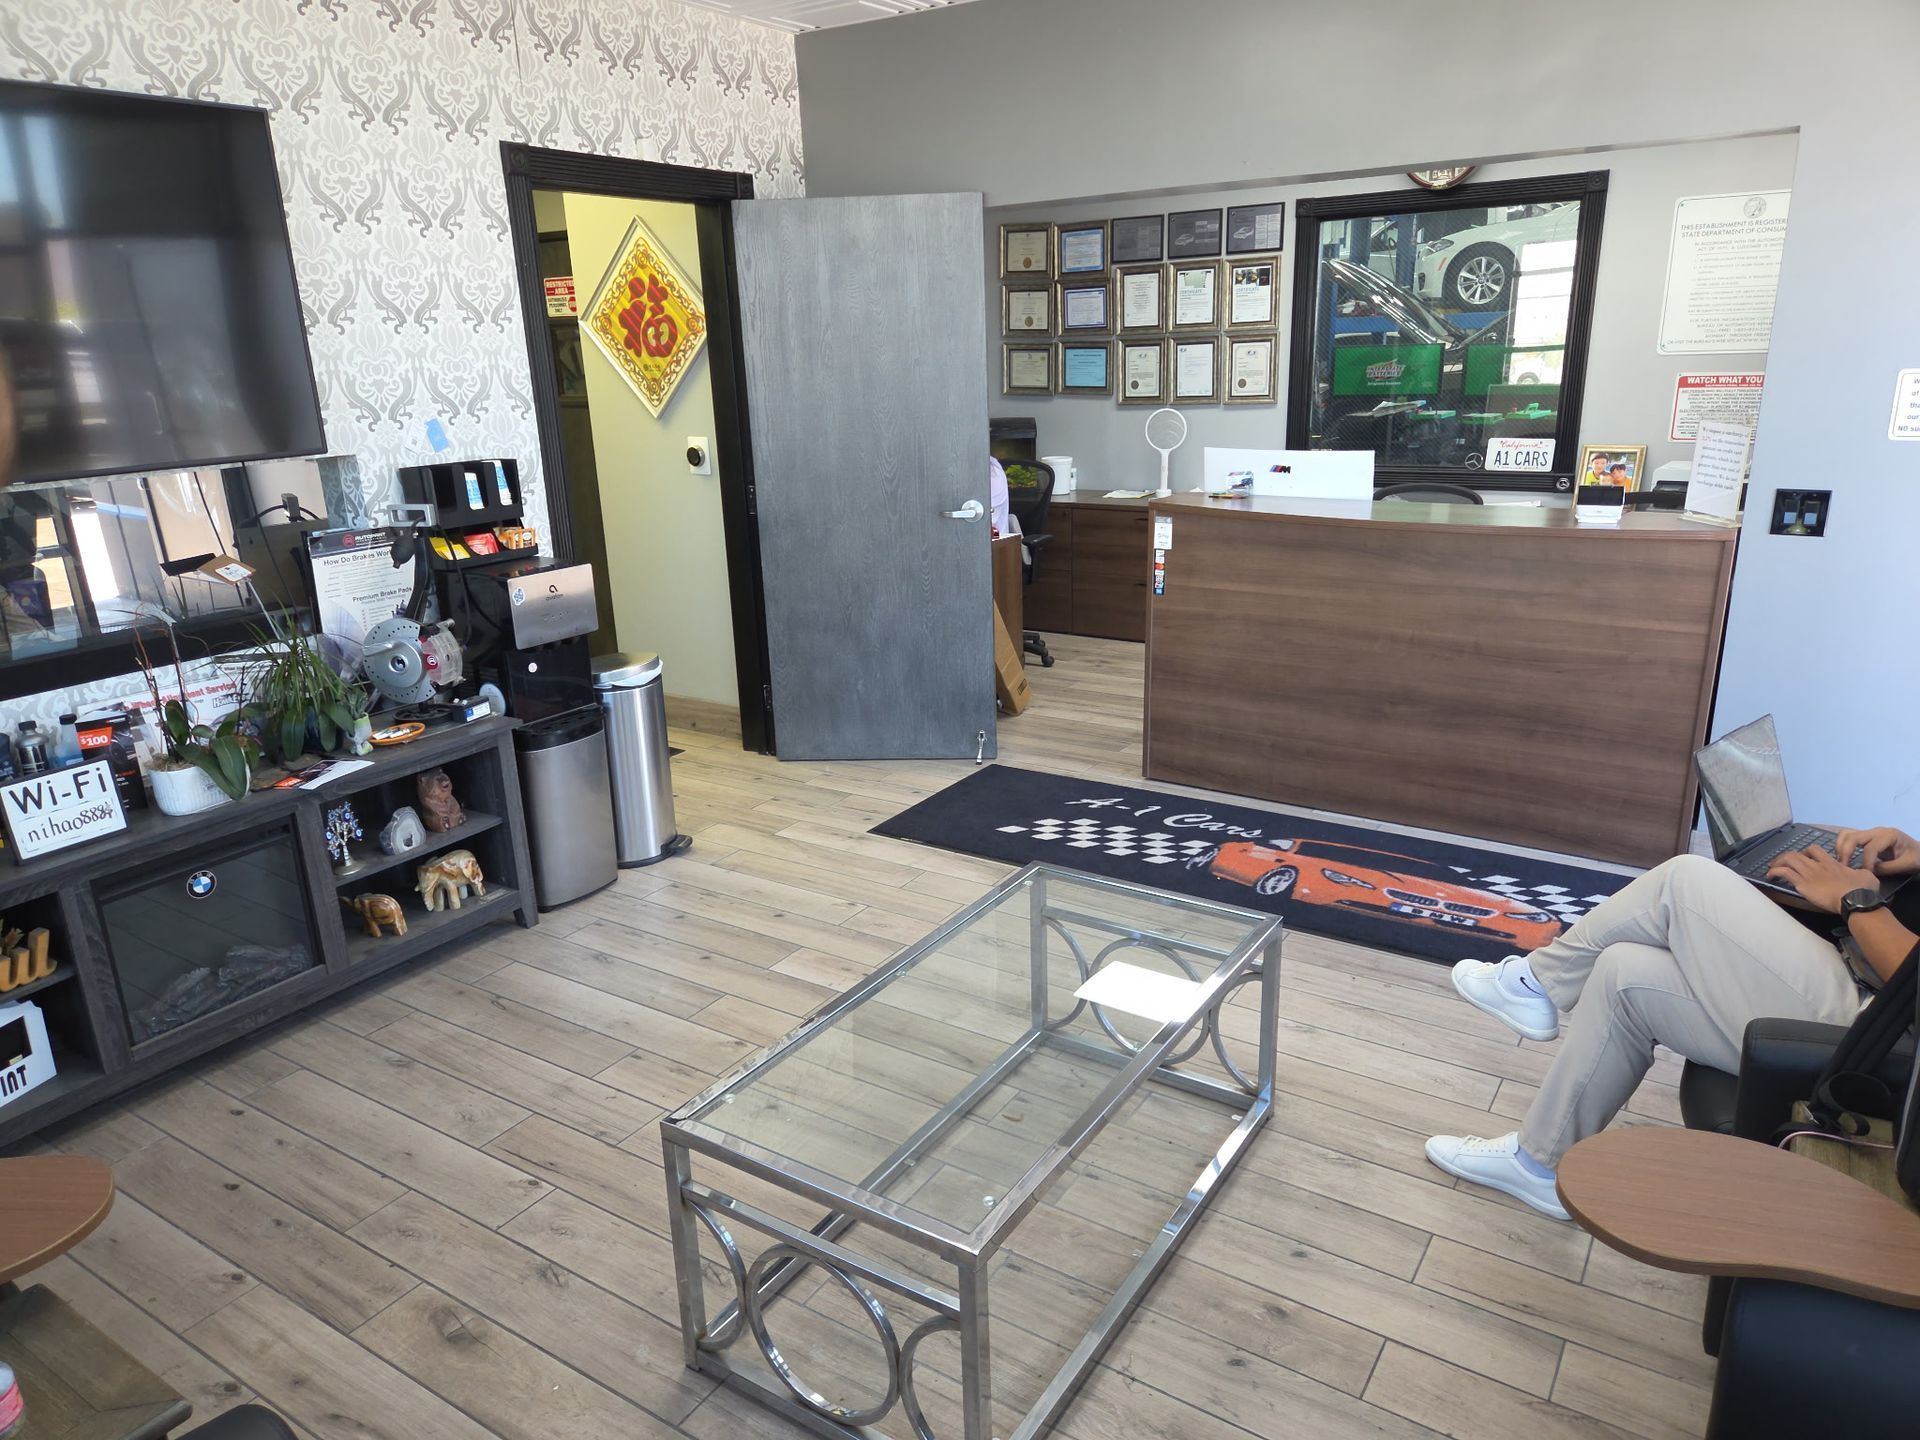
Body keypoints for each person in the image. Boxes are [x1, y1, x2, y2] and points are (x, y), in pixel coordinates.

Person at [1426, 828, 1920, 1219]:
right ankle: (1539, 1164)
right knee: (1624, 972)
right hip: (1875, 994)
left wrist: (1858, 902)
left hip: (1880, 1038)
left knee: (1684, 882)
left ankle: (1535, 983)